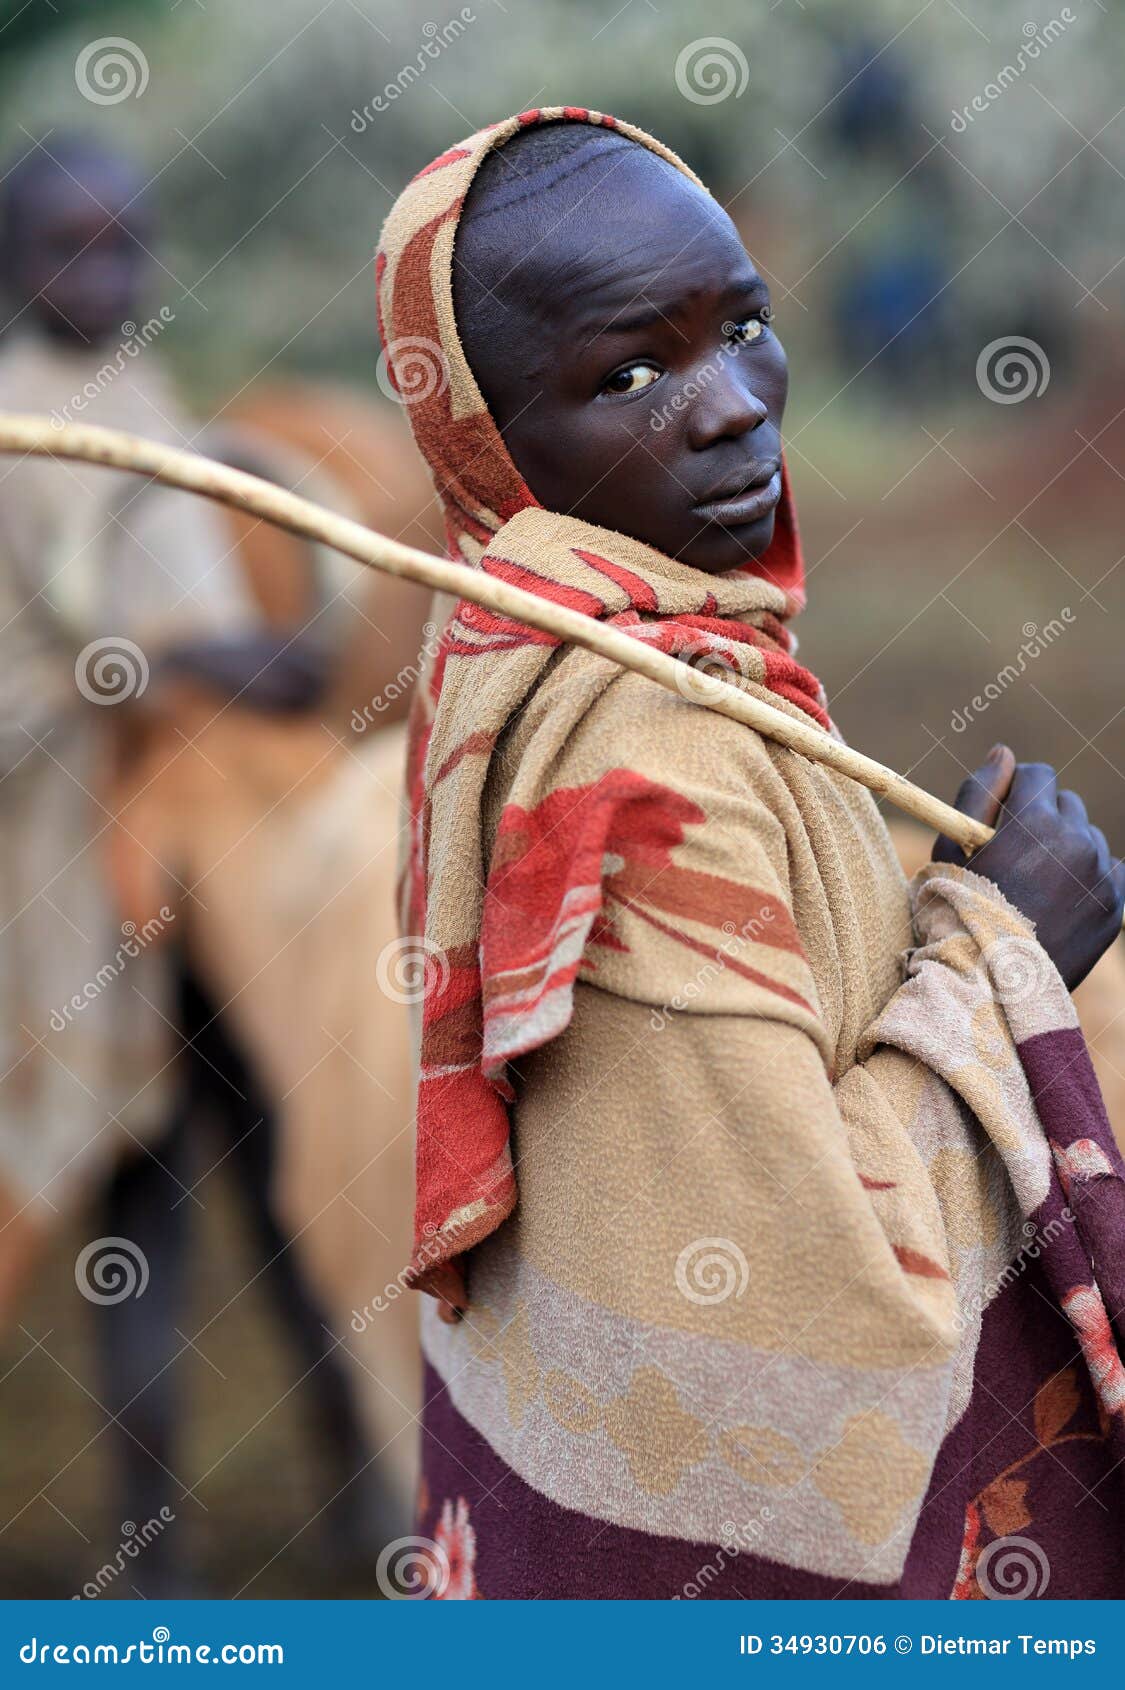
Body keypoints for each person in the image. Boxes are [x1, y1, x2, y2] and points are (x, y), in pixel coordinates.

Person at [376, 109, 1125, 1600]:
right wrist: (1002, 942)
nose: (730, 409)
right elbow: (803, 1281)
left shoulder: (532, 643)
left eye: (744, 328)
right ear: (484, 437)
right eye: (629, 374)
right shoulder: (650, 752)